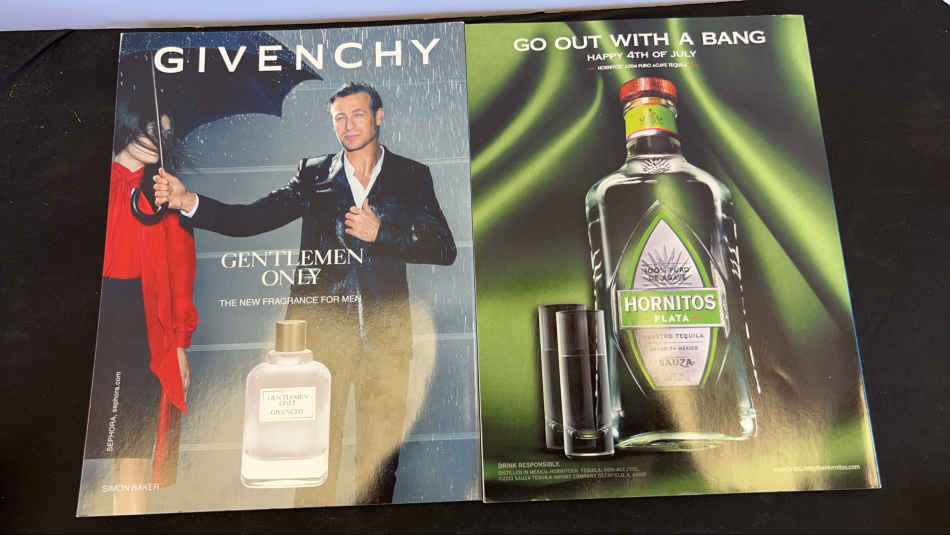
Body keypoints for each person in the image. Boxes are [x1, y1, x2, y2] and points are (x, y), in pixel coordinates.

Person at [154, 81, 456, 505]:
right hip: (320, 345)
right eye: (339, 118)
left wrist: (382, 233)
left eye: (357, 115)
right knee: (314, 462)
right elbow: (252, 218)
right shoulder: (314, 174)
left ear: (379, 117)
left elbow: (444, 248)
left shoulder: (411, 175)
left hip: (387, 341)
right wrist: (189, 201)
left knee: (380, 465)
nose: (348, 126)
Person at [84, 96, 197, 515]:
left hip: (141, 326)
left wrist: (180, 346)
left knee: (130, 447)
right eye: (151, 127)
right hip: (91, 322)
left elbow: (182, 275)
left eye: (166, 132)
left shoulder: (166, 192)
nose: (158, 138)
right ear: (127, 123)